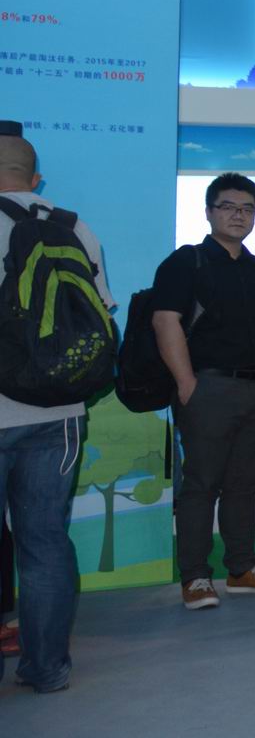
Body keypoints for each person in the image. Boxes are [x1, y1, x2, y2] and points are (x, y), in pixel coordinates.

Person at [0, 126, 112, 691]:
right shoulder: (75, 227)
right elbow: (99, 314)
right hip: (59, 412)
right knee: (44, 541)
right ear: (36, 178)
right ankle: (47, 669)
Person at [153, 172, 255, 610]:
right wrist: (187, 384)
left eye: (247, 208)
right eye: (229, 207)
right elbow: (165, 321)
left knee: (244, 485)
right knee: (201, 485)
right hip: (208, 387)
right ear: (209, 211)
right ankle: (195, 576)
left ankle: (242, 569)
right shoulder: (186, 262)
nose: (238, 215)